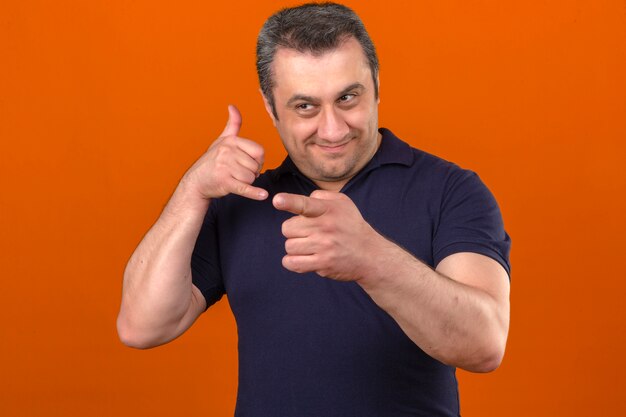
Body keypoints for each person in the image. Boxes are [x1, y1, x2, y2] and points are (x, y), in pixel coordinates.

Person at [117, 2, 511, 416]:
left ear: (376, 85)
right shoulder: (244, 201)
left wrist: (371, 259)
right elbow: (141, 325)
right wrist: (192, 192)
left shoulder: (451, 190)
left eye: (348, 98)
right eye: (305, 106)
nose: (333, 129)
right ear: (271, 108)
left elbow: (484, 345)